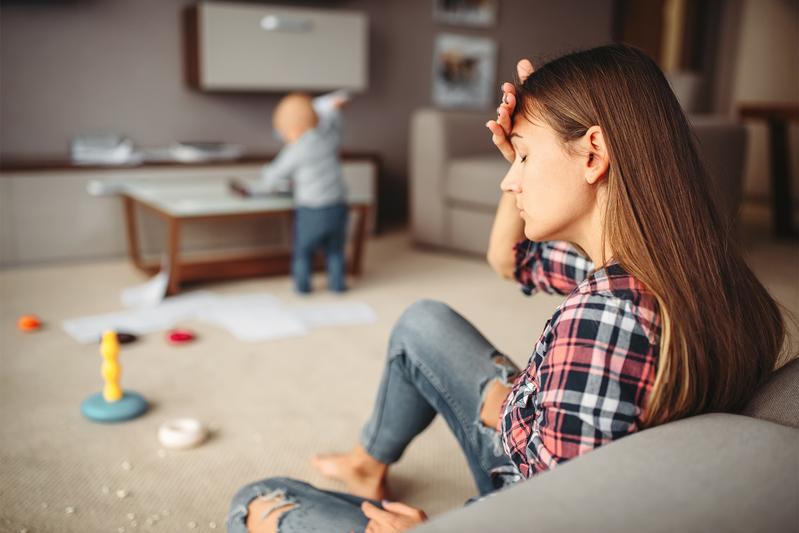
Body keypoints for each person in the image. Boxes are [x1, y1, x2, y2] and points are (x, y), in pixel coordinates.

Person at [227, 44, 788, 533]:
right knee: (423, 320)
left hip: (517, 489)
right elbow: (509, 258)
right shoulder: (688, 271)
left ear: (592, 153)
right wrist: (523, 156)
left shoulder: (602, 321)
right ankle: (366, 462)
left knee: (257, 501)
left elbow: (547, 515)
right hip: (540, 424)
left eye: (522, 156)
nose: (507, 177)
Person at [231, 91, 350, 293]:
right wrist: (335, 110)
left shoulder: (296, 149)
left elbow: (274, 176)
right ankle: (338, 287)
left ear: (289, 129)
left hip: (312, 210)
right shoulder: (328, 140)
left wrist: (264, 176)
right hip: (338, 206)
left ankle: (303, 288)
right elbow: (336, 126)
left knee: (303, 251)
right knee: (335, 251)